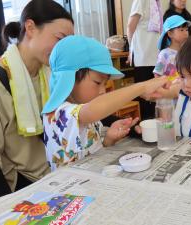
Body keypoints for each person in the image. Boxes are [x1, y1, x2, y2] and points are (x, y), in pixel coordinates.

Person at [41, 35, 169, 171]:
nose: (102, 90)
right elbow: (93, 110)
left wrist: (108, 140)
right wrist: (141, 87)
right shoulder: (58, 113)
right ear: (69, 78)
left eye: (105, 83)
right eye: (97, 82)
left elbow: (88, 150)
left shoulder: (83, 108)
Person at [0, 0, 74, 198]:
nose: (62, 49)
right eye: (59, 39)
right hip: (24, 186)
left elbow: (77, 109)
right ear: (30, 28)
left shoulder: (49, 74)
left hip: (57, 174)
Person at [127, 0, 163, 120]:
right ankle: (144, 128)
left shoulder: (157, 3)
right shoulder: (141, 1)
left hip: (155, 56)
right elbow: (130, 26)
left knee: (154, 96)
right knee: (143, 96)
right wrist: (131, 50)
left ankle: (153, 126)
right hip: (142, 56)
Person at [153, 15, 190, 81]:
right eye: (181, 30)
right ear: (170, 34)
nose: (185, 33)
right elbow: (157, 74)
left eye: (186, 30)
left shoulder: (187, 52)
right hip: (169, 90)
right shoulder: (164, 54)